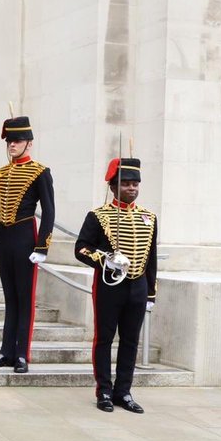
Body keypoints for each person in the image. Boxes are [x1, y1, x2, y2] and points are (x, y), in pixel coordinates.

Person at [75, 157, 157, 414]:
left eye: (135, 184)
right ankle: (105, 391)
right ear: (113, 187)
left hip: (138, 286)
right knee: (104, 339)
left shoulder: (149, 217)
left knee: (131, 340)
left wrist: (151, 292)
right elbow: (81, 249)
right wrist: (106, 260)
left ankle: (124, 391)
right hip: (109, 285)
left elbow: (151, 258)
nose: (132, 188)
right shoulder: (98, 216)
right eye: (126, 184)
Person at [0, 116, 55, 374]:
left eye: (17, 140)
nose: (11, 145)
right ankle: (6, 351)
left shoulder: (40, 172)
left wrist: (42, 246)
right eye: (9, 140)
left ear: (28, 143)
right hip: (3, 237)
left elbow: (49, 211)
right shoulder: (0, 173)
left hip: (25, 237)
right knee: (10, 298)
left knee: (25, 299)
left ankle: (22, 354)